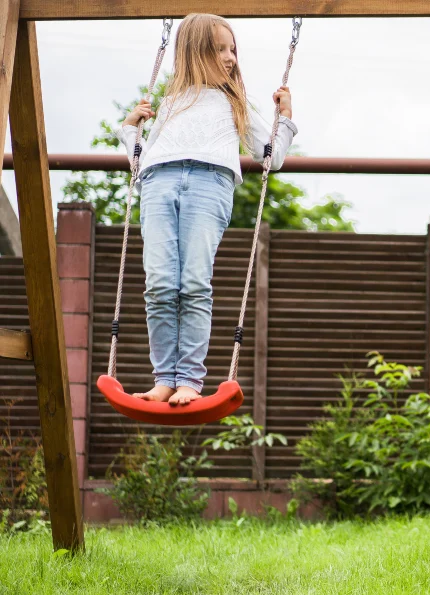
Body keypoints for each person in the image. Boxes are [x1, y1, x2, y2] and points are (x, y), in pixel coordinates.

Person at [115, 13, 297, 406]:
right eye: (221, 49)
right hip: (159, 182)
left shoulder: (235, 102)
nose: (231, 57)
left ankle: (188, 382)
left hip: (209, 185)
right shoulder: (170, 103)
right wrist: (129, 129)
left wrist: (286, 117)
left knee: (194, 284)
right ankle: (164, 378)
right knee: (160, 284)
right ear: (196, 51)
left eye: (233, 49)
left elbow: (271, 156)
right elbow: (140, 159)